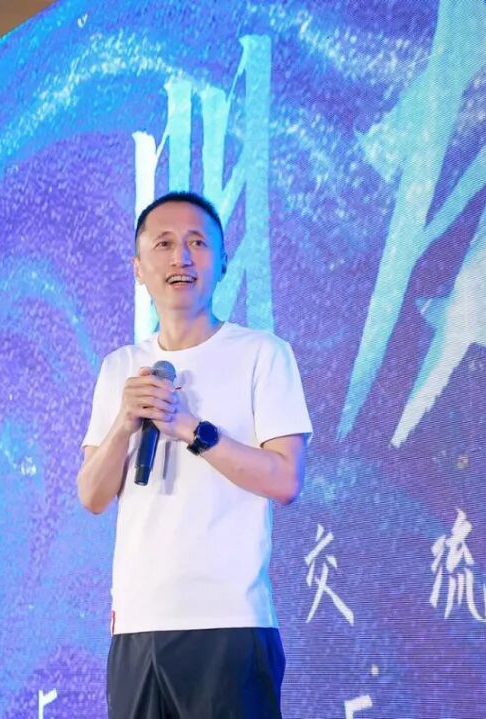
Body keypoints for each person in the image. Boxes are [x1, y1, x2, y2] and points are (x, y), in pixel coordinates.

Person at [77, 191, 312, 719]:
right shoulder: (120, 368)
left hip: (229, 621)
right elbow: (92, 495)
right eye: (163, 244)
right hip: (137, 626)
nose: (180, 257)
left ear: (223, 261)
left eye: (197, 243)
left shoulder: (262, 354)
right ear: (139, 268)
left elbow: (285, 480)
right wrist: (125, 423)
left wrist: (191, 429)